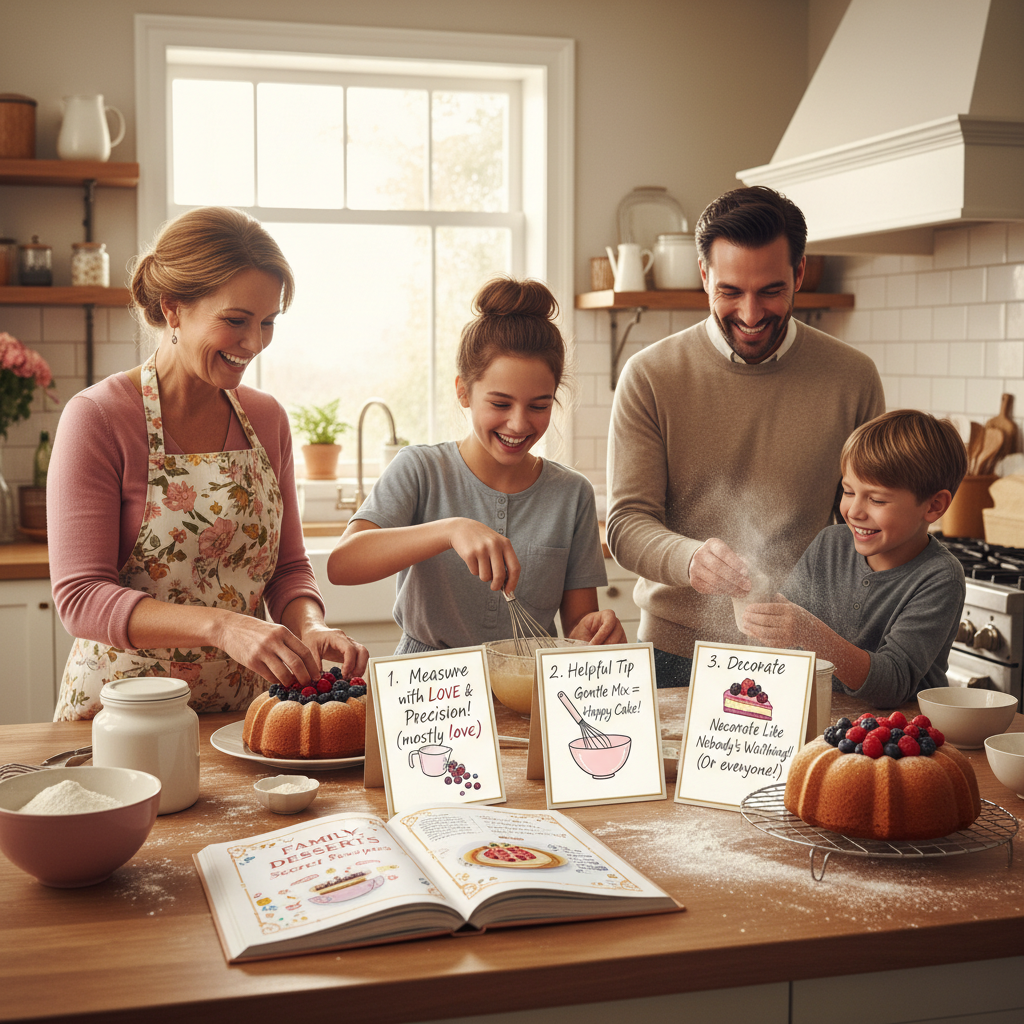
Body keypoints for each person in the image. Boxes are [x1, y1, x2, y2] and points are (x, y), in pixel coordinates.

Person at [49, 207, 368, 721]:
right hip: (125, 718)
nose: (254, 343)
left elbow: (287, 569)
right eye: (236, 321)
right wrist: (223, 625)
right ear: (173, 309)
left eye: (267, 323)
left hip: (240, 718)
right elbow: (81, 598)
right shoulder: (99, 418)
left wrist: (309, 626)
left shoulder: (266, 419)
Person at [606, 185, 885, 687]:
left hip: (804, 656)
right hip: (674, 658)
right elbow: (626, 525)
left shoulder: (853, 378)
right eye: (730, 291)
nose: (751, 315)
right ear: (704, 274)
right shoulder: (650, 375)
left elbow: (861, 525)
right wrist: (690, 560)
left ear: (799, 274)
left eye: (771, 290)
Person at [327, 277, 626, 652]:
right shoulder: (420, 469)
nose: (518, 423)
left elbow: (578, 627)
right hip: (429, 690)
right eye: (500, 404)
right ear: (463, 392)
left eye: (539, 405)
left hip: (528, 685)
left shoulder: (572, 494)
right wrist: (450, 530)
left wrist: (595, 633)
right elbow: (342, 564)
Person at [741, 410, 967, 709]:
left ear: (934, 505)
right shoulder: (830, 544)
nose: (854, 511)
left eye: (877, 500)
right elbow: (787, 634)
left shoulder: (939, 577)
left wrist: (809, 631)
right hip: (826, 721)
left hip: (902, 736)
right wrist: (752, 597)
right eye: (848, 491)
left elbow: (892, 685)